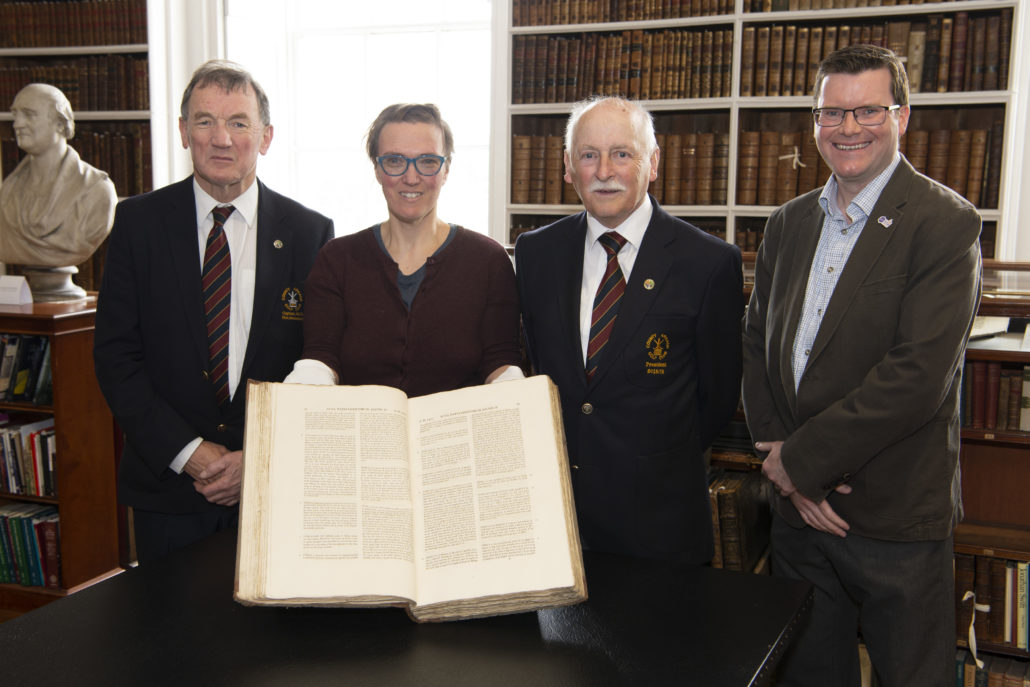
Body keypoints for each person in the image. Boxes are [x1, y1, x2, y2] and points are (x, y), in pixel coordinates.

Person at [741, 44, 982, 687]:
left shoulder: (945, 223)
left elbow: (916, 378)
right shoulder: (788, 223)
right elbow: (758, 339)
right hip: (798, 520)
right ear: (814, 122)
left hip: (891, 518)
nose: (849, 129)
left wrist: (801, 464)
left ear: (904, 116)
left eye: (868, 110)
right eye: (832, 113)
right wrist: (784, 462)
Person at [93, 60, 334, 563]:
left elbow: (320, 360)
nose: (221, 138)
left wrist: (260, 458)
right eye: (204, 121)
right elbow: (117, 357)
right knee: (167, 640)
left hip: (274, 489)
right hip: (169, 490)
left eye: (239, 122)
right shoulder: (138, 223)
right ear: (184, 132)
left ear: (265, 137)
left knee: (274, 642)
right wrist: (190, 454)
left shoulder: (310, 233)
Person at [515, 96, 743, 563]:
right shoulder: (536, 253)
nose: (604, 171)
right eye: (588, 154)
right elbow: (532, 363)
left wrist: (653, 459)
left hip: (660, 527)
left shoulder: (709, 263)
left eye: (622, 153)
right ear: (567, 166)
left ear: (652, 162)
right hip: (557, 523)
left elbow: (717, 398)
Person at [283, 103, 522, 395]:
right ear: (377, 169)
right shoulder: (336, 260)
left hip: (453, 436)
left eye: (428, 161)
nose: (411, 177)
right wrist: (298, 393)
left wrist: (516, 394)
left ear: (446, 169)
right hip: (363, 435)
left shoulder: (489, 262)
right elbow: (320, 357)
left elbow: (501, 362)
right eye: (395, 161)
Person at [0, 83, 116, 267]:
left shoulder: (96, 190)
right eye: (15, 115)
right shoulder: (8, 190)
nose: (17, 124)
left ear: (60, 123)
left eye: (29, 114)